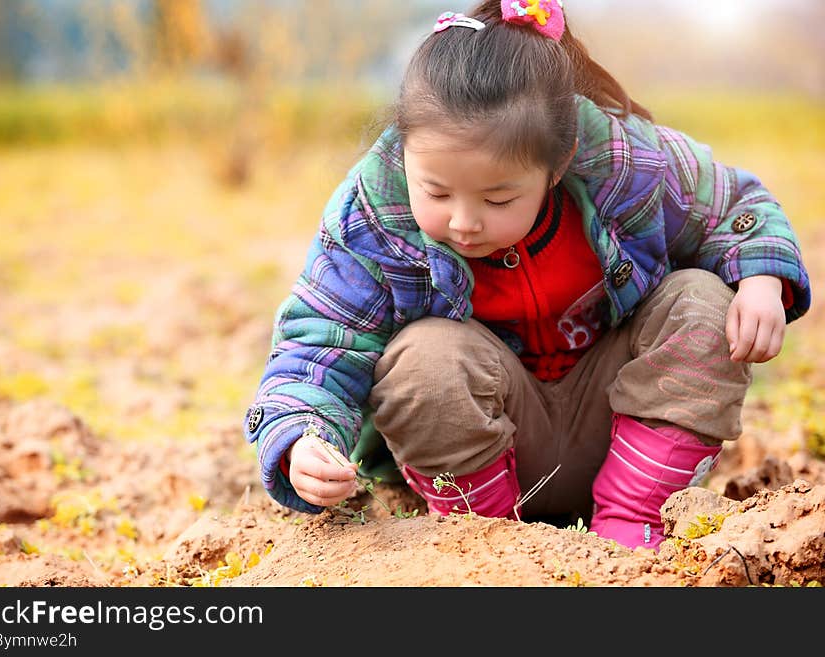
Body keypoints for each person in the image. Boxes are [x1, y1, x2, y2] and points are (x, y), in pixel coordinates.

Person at [242, 0, 811, 551]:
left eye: (498, 197)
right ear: (406, 152)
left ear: (556, 164)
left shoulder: (627, 163)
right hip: (473, 450)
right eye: (435, 191)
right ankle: (489, 542)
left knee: (702, 302)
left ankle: (634, 521)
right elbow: (321, 337)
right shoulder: (374, 212)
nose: (463, 223)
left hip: (619, 424)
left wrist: (760, 279)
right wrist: (302, 436)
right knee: (423, 356)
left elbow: (734, 204)